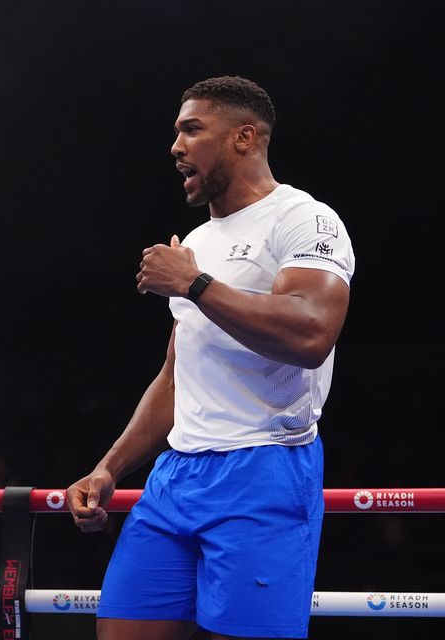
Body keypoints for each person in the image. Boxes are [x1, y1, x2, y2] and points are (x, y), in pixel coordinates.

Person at [67, 75, 354, 640]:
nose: (176, 146)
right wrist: (110, 467)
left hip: (264, 467)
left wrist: (194, 282)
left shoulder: (303, 219)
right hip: (175, 476)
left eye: (192, 130)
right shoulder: (197, 239)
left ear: (244, 137)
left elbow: (312, 332)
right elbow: (177, 377)